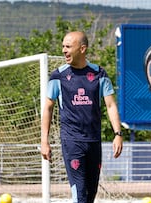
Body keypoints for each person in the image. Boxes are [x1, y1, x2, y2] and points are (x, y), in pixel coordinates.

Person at [40, 31, 123, 203]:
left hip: (94, 141)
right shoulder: (58, 76)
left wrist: (118, 134)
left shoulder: (99, 74)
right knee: (79, 194)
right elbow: (48, 108)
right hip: (71, 141)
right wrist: (44, 141)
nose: (64, 50)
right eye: (63, 46)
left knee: (90, 194)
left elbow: (110, 105)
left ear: (82, 48)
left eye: (68, 46)